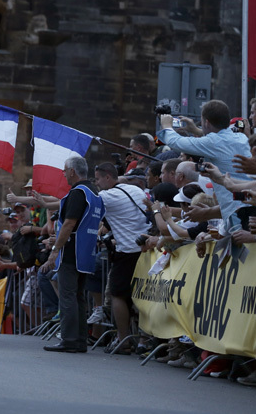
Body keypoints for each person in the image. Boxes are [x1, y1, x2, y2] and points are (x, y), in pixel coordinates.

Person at [41, 157, 105, 353]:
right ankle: (79, 340)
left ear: (72, 171)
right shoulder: (95, 193)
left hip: (72, 251)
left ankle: (69, 340)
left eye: (64, 170)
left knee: (67, 296)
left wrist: (55, 250)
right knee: (78, 296)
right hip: (86, 251)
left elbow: (69, 224)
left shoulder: (78, 193)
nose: (63, 174)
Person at [158, 101, 251, 229]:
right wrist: (197, 130)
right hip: (248, 202)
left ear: (206, 122)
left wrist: (167, 126)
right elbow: (220, 137)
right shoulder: (240, 137)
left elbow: (176, 142)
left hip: (237, 213)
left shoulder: (214, 142)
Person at [94, 162, 150, 353]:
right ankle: (143, 339)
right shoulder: (134, 190)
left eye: (98, 179)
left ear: (108, 177)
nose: (97, 184)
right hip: (147, 247)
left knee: (118, 294)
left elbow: (81, 206)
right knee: (143, 295)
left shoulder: (106, 196)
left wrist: (43, 203)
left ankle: (123, 338)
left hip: (127, 250)